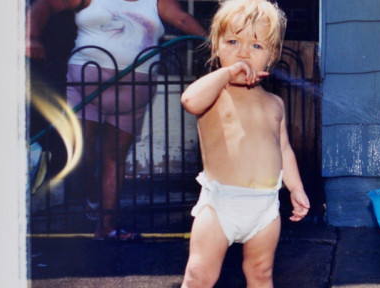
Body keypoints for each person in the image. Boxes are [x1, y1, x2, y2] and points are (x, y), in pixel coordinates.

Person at [26, 0, 207, 240]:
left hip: (133, 92)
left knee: (115, 156)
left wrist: (216, 45)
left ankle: (107, 226)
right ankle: (93, 197)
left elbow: (183, 20)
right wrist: (31, 36)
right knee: (80, 149)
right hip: (84, 86)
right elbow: (46, 5)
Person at [179, 0, 310, 286]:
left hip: (264, 207)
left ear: (272, 55)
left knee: (261, 274)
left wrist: (296, 187)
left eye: (256, 46)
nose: (243, 52)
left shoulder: (274, 103)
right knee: (200, 275)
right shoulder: (214, 92)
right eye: (233, 41)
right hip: (220, 205)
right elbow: (189, 100)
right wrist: (225, 74)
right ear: (216, 46)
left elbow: (283, 149)